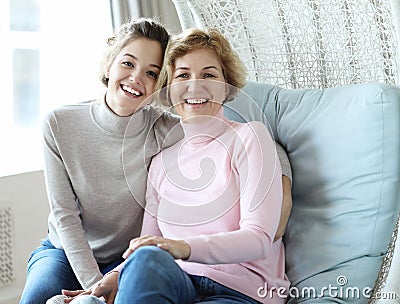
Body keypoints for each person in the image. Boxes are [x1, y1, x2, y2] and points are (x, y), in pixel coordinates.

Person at [65, 27, 290, 304]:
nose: (194, 86)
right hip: (178, 282)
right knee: (143, 259)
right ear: (168, 90)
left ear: (227, 85)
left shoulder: (249, 137)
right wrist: (114, 277)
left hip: (242, 291)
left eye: (208, 75)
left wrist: (181, 248)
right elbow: (150, 241)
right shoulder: (161, 162)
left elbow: (258, 238)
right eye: (183, 75)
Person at [19, 18, 178, 304]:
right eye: (128, 63)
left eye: (151, 73)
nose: (136, 78)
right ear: (109, 64)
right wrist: (95, 288)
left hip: (125, 259)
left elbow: (226, 132)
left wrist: (279, 163)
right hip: (64, 253)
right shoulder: (60, 124)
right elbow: (65, 215)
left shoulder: (165, 128)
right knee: (36, 299)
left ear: (160, 84)